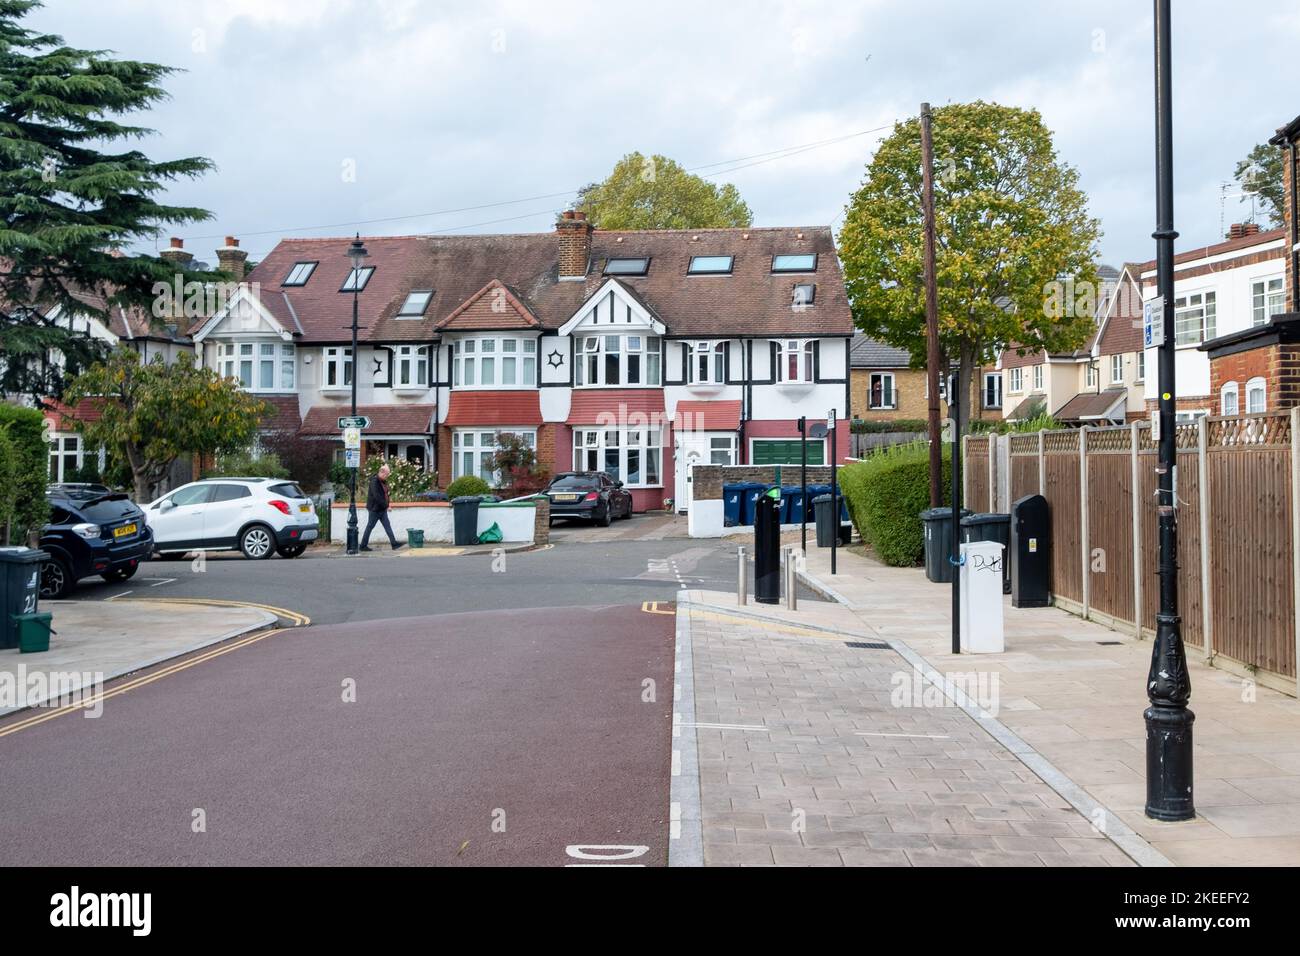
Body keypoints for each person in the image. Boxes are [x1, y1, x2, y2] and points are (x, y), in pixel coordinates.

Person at [360, 463, 403, 551]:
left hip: (381, 509)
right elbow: (377, 497)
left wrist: (387, 504)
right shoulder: (374, 481)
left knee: (387, 526)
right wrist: (387, 506)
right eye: (386, 474)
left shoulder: (382, 481)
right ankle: (363, 546)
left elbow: (385, 494)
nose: (387, 476)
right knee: (370, 527)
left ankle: (394, 544)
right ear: (382, 472)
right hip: (374, 509)